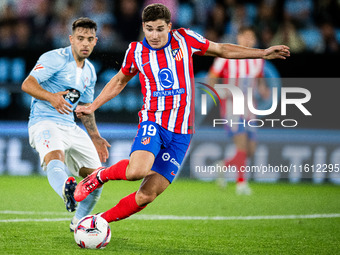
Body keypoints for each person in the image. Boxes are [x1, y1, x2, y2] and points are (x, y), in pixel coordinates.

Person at [74, 4, 289, 223]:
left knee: (147, 194)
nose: (154, 35)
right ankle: (99, 176)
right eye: (149, 29)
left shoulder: (184, 39)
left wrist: (262, 53)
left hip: (182, 132)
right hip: (154, 121)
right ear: (143, 27)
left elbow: (221, 49)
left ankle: (97, 222)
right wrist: (93, 106)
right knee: (136, 171)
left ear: (169, 26)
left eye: (160, 29)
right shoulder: (136, 51)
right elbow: (120, 80)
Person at [21, 17, 110, 231]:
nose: (85, 44)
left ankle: (77, 222)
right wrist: (51, 97)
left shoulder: (90, 71)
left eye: (89, 39)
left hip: (70, 126)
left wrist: (95, 136)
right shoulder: (54, 58)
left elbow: (86, 108)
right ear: (71, 39)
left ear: (95, 41)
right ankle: (65, 188)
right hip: (43, 121)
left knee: (96, 178)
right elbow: (27, 84)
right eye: (80, 38)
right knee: (55, 156)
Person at [208, 26, 272, 194]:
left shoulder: (258, 60)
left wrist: (264, 91)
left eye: (251, 37)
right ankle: (241, 184)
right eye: (245, 37)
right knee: (242, 144)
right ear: (239, 38)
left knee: (251, 150)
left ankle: (223, 166)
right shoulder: (225, 57)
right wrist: (222, 91)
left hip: (250, 108)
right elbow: (212, 79)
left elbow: (260, 82)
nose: (248, 40)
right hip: (231, 107)